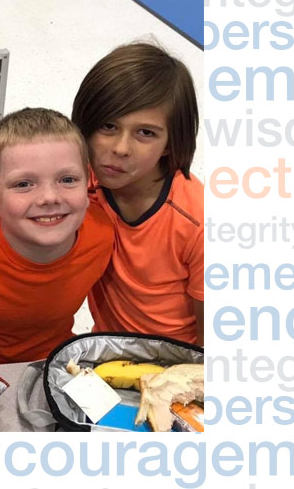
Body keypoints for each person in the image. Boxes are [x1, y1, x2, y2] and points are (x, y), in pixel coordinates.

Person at [0, 107, 115, 364]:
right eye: (23, 184)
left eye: (67, 179)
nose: (49, 198)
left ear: (86, 183)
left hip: (55, 363)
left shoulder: (102, 233)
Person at [71, 42, 204, 346]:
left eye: (146, 133)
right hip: (105, 349)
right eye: (108, 126)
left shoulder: (198, 223)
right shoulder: (78, 182)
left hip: (175, 360)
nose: (120, 148)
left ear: (171, 143)